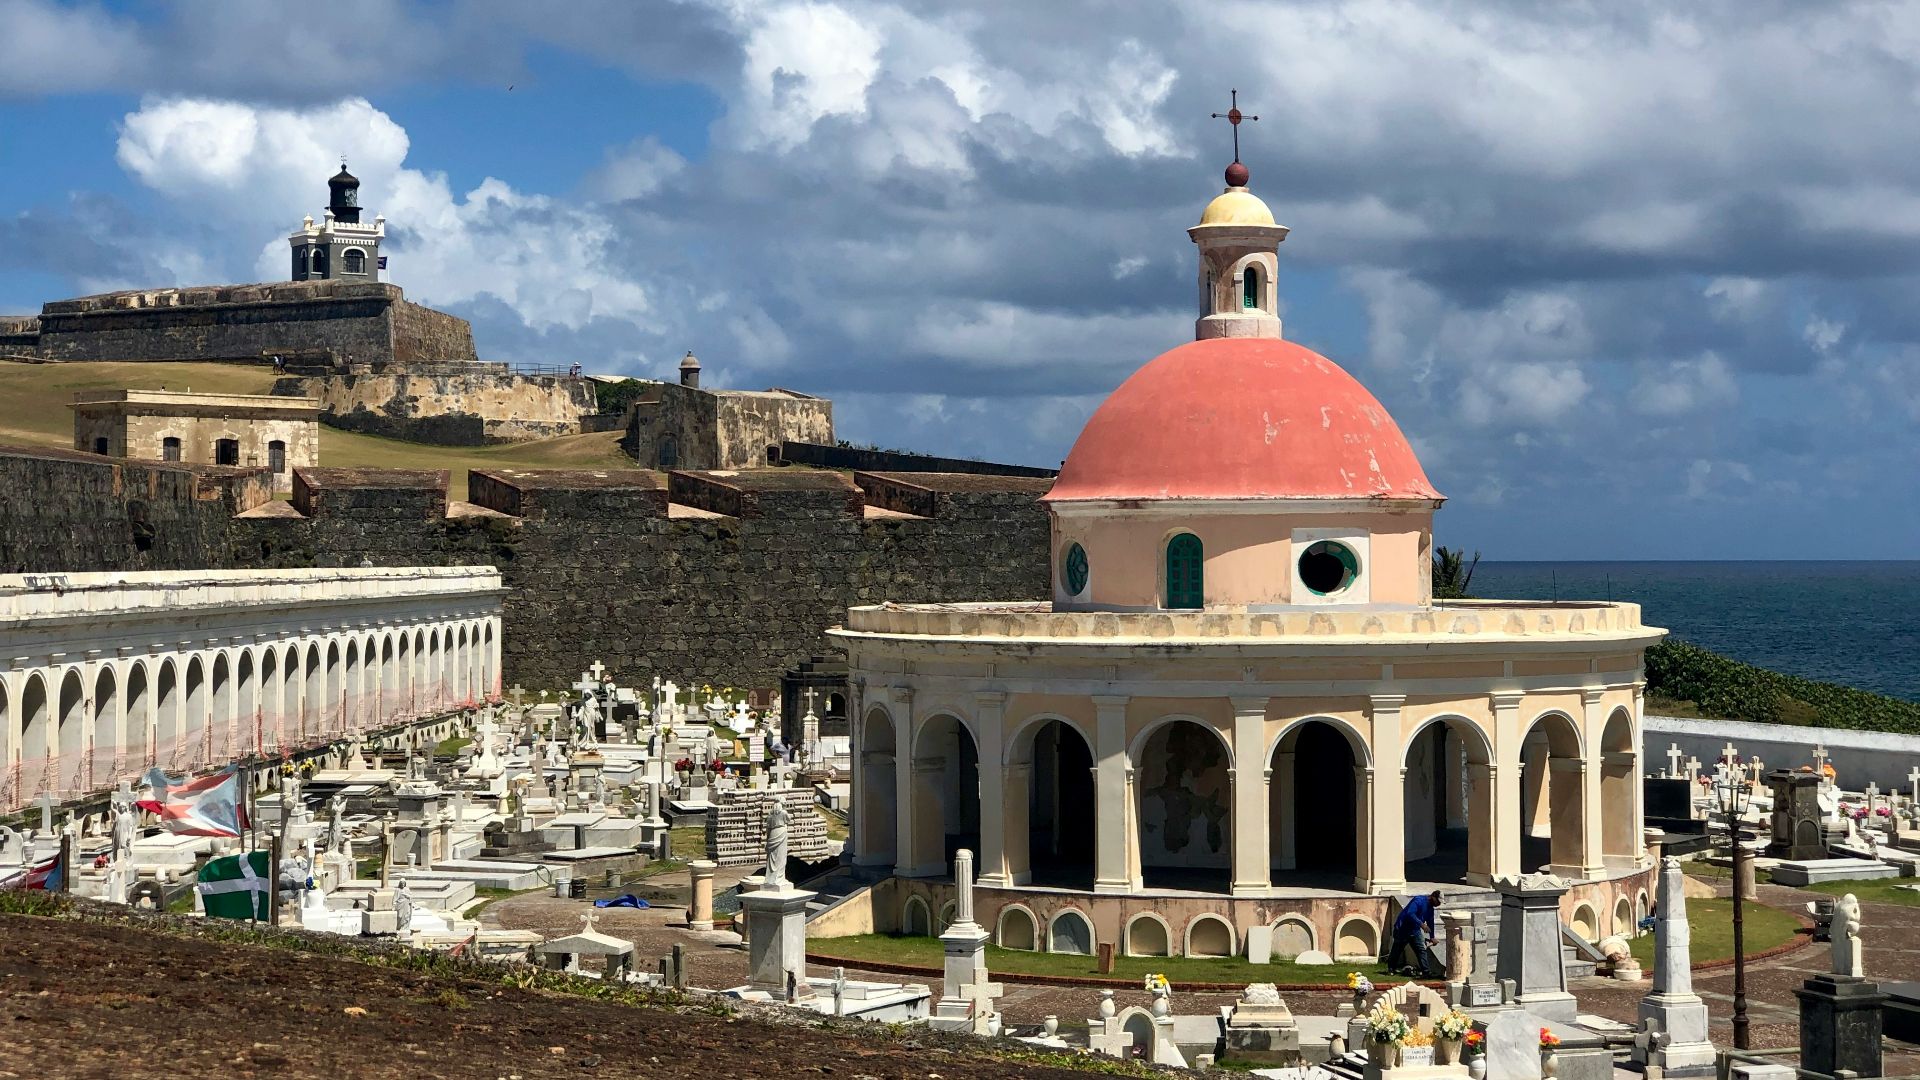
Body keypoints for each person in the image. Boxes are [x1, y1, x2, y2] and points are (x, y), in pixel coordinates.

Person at [1388, 890, 1443, 977]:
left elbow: (1430, 922)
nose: (1438, 904)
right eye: (1438, 902)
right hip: (1402, 928)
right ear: (1433, 896)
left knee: (1421, 950)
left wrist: (1432, 937)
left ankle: (1426, 971)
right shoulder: (1419, 900)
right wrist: (1422, 925)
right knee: (1397, 949)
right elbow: (1410, 913)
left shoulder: (1430, 909)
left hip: (1415, 930)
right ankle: (1391, 968)